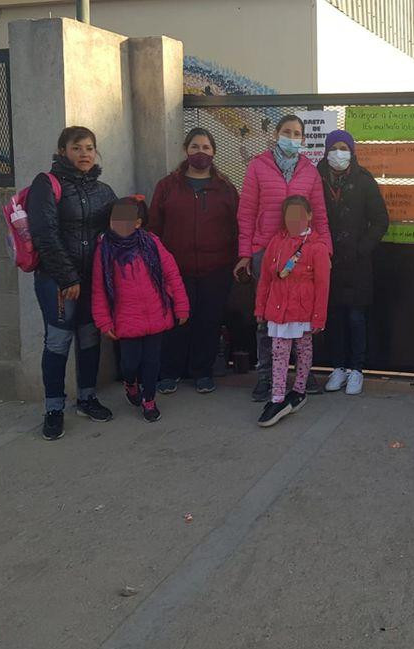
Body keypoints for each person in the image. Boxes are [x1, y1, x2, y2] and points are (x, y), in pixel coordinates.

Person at [27, 126, 117, 441]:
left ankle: (87, 398)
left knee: (90, 337)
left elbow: (118, 229)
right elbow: (44, 234)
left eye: (90, 148)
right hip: (57, 281)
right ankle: (53, 409)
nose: (84, 154)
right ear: (63, 151)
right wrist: (67, 278)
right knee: (58, 341)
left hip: (92, 280)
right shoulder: (46, 185)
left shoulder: (103, 190)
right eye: (77, 148)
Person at [235, 115, 332, 402]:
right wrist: (245, 253)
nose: (292, 137)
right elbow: (247, 213)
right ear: (277, 134)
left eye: (297, 133)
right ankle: (266, 377)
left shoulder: (310, 172)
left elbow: (321, 216)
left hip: (303, 254)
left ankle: (303, 376)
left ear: (303, 139)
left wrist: (325, 248)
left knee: (302, 317)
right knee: (267, 319)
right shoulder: (257, 166)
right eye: (286, 132)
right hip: (266, 252)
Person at [149, 127, 239, 395]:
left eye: (206, 148)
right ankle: (169, 372)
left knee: (209, 321)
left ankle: (203, 372)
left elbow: (237, 226)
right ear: (186, 150)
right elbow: (154, 226)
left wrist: (234, 260)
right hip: (176, 269)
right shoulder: (167, 186)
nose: (201, 152)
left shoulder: (225, 188)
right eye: (196, 147)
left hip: (216, 268)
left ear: (213, 152)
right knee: (176, 320)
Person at [91, 197, 190, 422]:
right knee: (129, 363)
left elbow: (171, 275)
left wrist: (181, 307)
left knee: (152, 362)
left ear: (137, 223)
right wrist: (104, 322)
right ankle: (130, 383)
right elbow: (99, 290)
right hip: (126, 320)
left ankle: (149, 400)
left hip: (157, 314)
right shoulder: (104, 251)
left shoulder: (152, 243)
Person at [316, 130, 389, 396]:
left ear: (352, 151)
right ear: (326, 150)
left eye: (344, 148)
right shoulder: (316, 178)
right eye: (334, 147)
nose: (338, 153)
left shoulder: (364, 180)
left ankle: (357, 369)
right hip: (326, 261)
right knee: (334, 318)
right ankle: (338, 367)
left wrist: (362, 248)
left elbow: (381, 220)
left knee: (356, 317)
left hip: (357, 263)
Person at [254, 195, 331, 427]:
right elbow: (266, 279)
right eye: (290, 214)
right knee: (279, 352)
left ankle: (298, 390)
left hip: (302, 311)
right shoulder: (276, 243)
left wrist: (319, 317)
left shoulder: (317, 248)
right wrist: (260, 308)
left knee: (303, 349)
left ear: (309, 215)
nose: (294, 219)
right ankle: (277, 397)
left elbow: (322, 285)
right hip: (278, 310)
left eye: (299, 214)